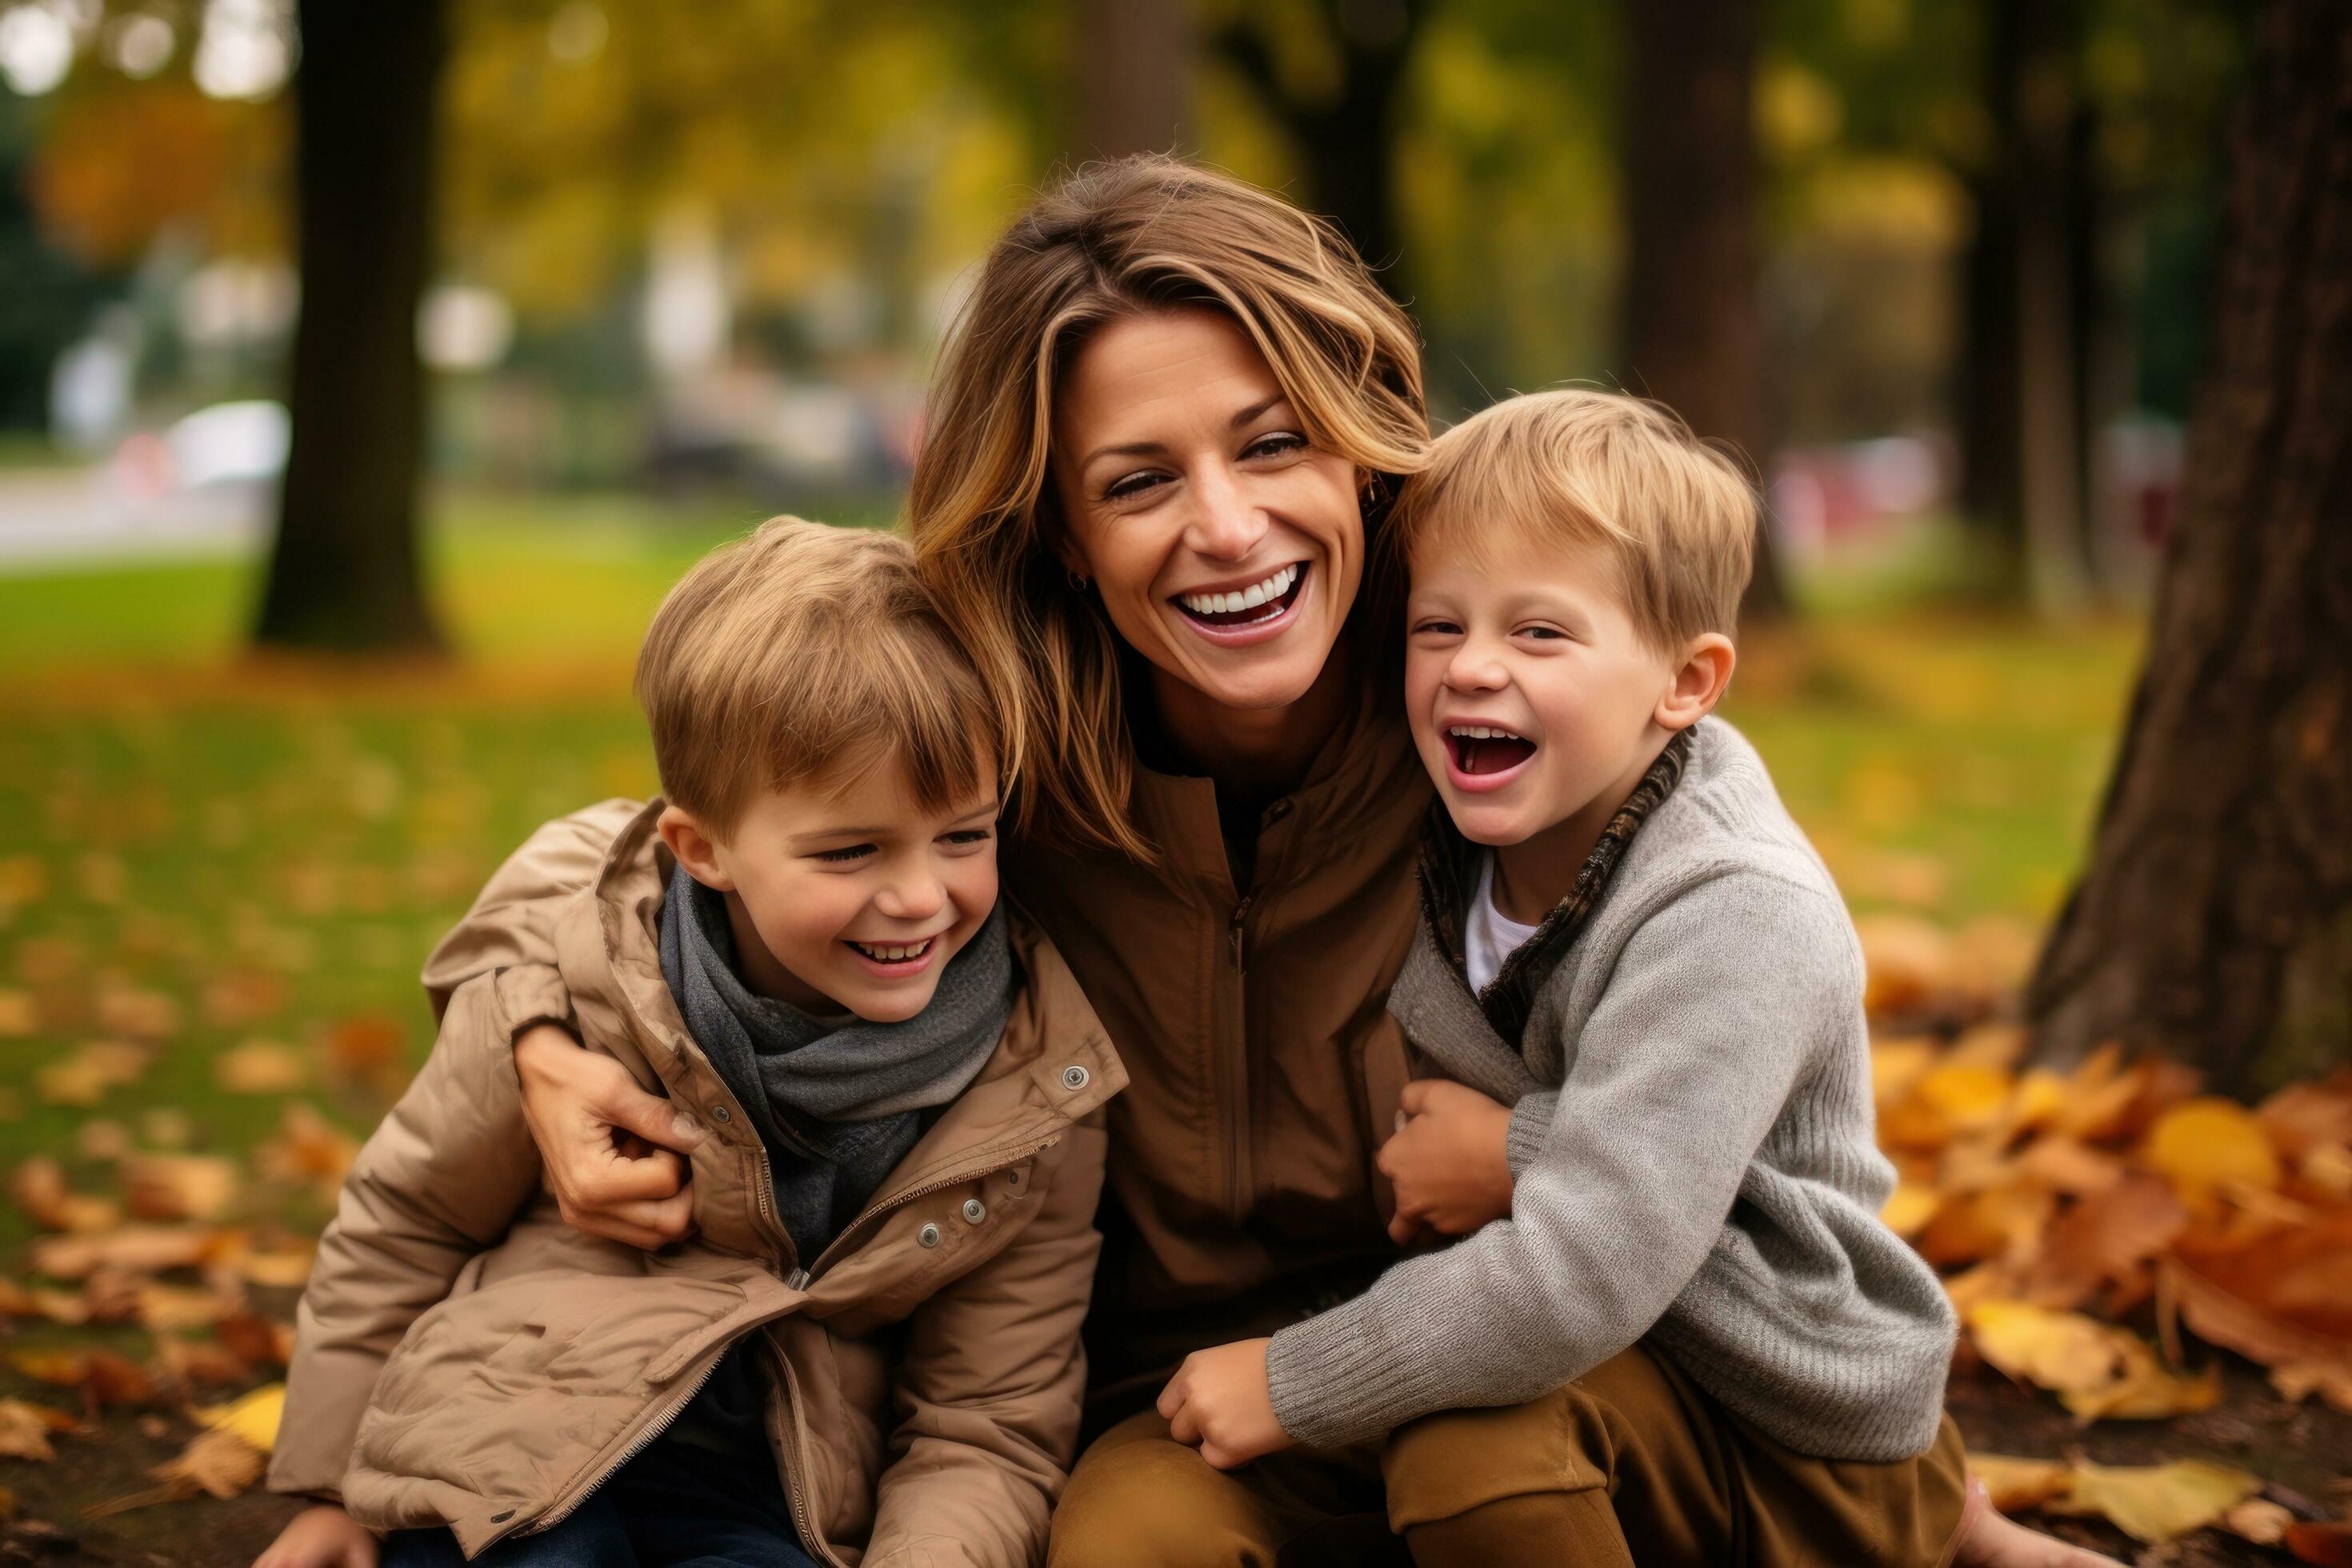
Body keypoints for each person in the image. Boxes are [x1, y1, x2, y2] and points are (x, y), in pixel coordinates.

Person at [426, 158, 2118, 1568]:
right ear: (1065, 536)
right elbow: (657, 842)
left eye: (1274, 442)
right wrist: (540, 1041)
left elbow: (1710, 1057)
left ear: (1355, 440)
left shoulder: (1479, 718)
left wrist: (1941, 1506)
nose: (1227, 528)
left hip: (1528, 1380)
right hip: (1184, 1397)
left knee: (1494, 1476)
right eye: (1141, 480)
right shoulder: (1007, 754)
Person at [1155, 388, 1967, 1564]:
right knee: (1150, 1508)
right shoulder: (1436, 833)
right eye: (1440, 628)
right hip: (1562, 1369)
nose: (1474, 668)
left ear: (1684, 684)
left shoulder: (1736, 912)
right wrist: (1536, 1154)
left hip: (1788, 1432)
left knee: (1472, 1458)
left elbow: (1584, 1265)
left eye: (1540, 633)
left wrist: (1298, 1377)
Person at [253, 519, 1124, 1568]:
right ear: (701, 848)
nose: (917, 897)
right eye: (849, 850)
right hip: (508, 1453)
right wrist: (330, 1488)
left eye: (964, 835)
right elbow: (407, 1220)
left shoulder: (1038, 1091)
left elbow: (986, 1419)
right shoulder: (579, 994)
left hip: (778, 1502)